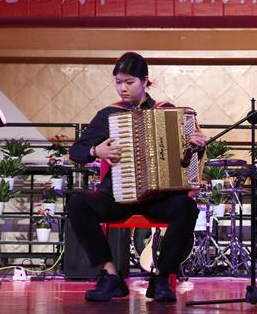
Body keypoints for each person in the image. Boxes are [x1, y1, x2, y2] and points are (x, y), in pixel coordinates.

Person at [67, 52, 206, 303]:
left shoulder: (167, 111)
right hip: (120, 196)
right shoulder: (109, 114)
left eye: (129, 82)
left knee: (186, 207)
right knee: (78, 203)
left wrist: (197, 145)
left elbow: (188, 161)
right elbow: (76, 151)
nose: (123, 88)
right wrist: (95, 151)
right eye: (118, 82)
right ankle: (110, 276)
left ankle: (161, 278)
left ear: (144, 80)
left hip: (159, 199)